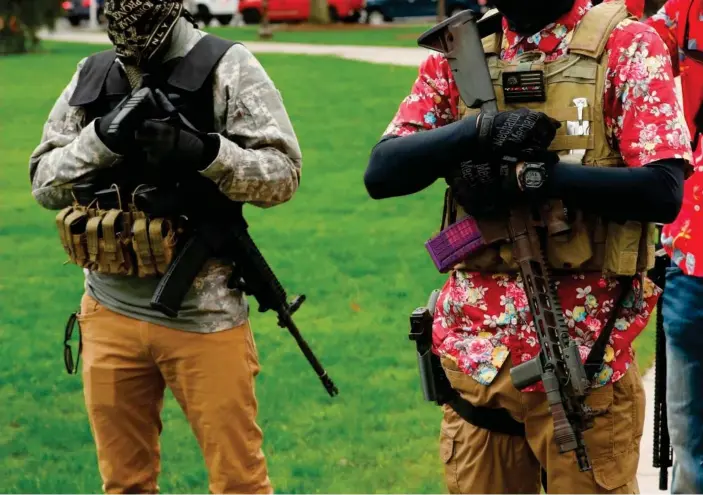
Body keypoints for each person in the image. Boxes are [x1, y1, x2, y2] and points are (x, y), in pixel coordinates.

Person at [364, 0, 692, 492]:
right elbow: (383, 170)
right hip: (478, 368)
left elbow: (662, 190)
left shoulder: (627, 45)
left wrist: (537, 179)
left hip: (587, 367)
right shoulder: (462, 52)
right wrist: (475, 132)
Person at [28, 0, 302, 493]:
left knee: (239, 483)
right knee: (125, 484)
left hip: (204, 315)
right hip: (107, 311)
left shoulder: (226, 65)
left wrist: (207, 153)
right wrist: (100, 141)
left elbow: (283, 176)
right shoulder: (91, 74)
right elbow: (44, 184)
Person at [645, 2, 703, 492]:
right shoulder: (685, 12)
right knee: (690, 451)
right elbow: (625, 49)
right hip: (690, 258)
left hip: (689, 253)